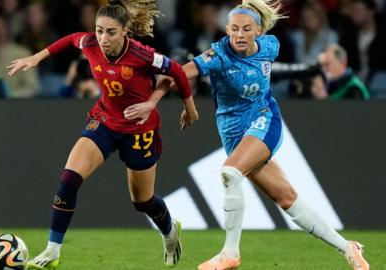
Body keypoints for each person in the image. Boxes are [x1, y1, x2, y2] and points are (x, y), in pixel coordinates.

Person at [157, 0, 370, 269]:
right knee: (288, 200)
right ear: (227, 30)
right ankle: (347, 247)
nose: (239, 35)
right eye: (234, 29)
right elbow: (179, 74)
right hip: (234, 135)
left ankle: (229, 253)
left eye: (247, 29)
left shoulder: (271, 46)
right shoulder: (218, 55)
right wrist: (161, 102)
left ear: (258, 31)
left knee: (230, 173)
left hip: (265, 120)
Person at [6, 0, 198, 269]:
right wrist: (37, 57)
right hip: (105, 121)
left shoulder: (141, 55)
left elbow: (176, 70)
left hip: (139, 129)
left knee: (142, 201)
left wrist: (189, 110)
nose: (103, 38)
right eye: (99, 31)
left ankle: (169, 230)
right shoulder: (90, 44)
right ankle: (52, 251)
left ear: (124, 31)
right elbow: (72, 39)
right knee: (69, 179)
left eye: (110, 32)